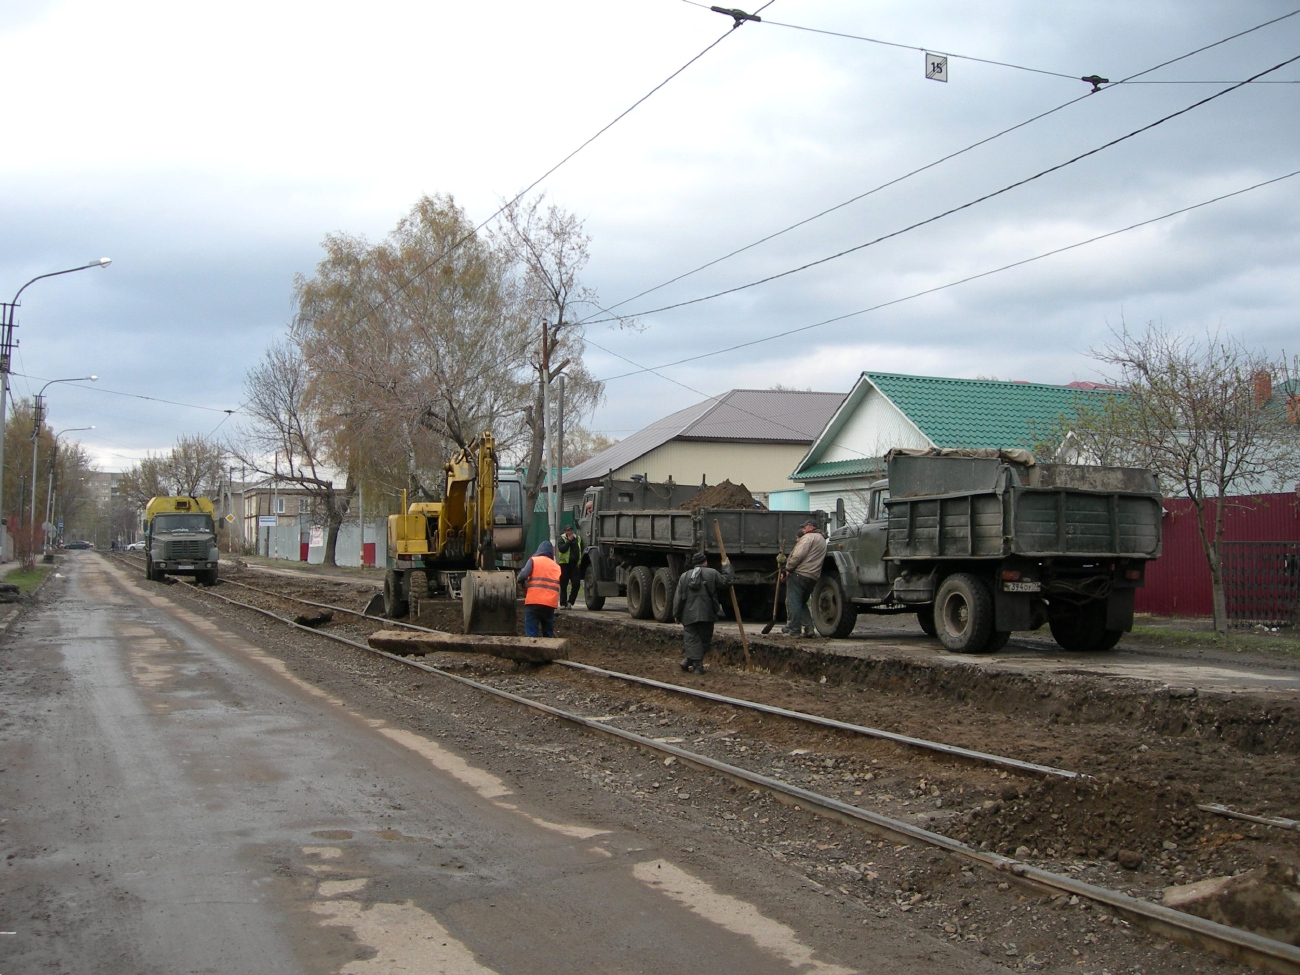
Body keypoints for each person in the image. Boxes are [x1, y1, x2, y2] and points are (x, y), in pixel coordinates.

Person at [672, 551, 734, 674]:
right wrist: (726, 566)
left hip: (688, 614)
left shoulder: (684, 576)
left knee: (691, 641)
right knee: (704, 640)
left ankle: (690, 662)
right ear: (705, 561)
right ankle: (697, 666)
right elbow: (726, 581)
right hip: (707, 613)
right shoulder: (712, 573)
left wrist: (676, 614)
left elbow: (678, 598)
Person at [782, 519, 827, 637]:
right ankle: (809, 628)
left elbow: (798, 555)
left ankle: (794, 630)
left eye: (805, 527)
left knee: (793, 602)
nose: (803, 530)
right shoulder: (822, 540)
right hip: (813, 576)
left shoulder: (808, 538)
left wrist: (788, 568)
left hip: (800, 574)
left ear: (811, 527)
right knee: (801, 602)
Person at [517, 541, 561, 637]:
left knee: (531, 633)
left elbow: (522, 576)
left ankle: (532, 645)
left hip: (533, 602)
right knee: (547, 633)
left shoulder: (534, 561)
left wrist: (520, 582)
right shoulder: (557, 567)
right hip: (549, 604)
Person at [556, 525, 583, 609]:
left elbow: (580, 550)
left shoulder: (578, 539)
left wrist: (579, 562)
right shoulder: (562, 539)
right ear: (565, 532)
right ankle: (563, 603)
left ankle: (570, 602)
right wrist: (568, 541)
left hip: (574, 565)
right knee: (563, 585)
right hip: (564, 565)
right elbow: (562, 549)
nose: (569, 532)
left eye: (571, 530)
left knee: (576, 584)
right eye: (568, 530)